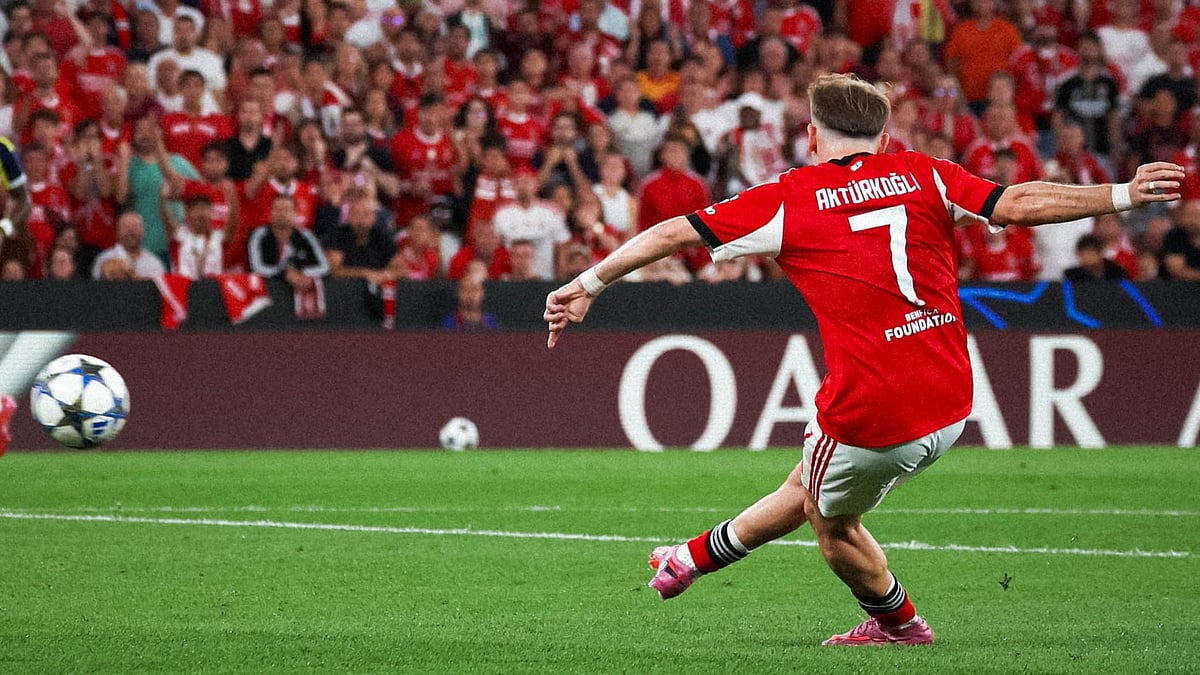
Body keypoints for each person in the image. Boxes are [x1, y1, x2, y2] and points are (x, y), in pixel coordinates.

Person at [543, 73, 1182, 647]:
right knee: (811, 483)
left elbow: (674, 231)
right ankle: (689, 559)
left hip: (875, 409)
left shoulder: (790, 198)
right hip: (952, 400)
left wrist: (589, 283)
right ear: (882, 139)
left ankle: (897, 625)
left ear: (814, 135)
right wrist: (1123, 194)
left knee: (828, 519)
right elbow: (1017, 203)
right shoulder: (927, 174)